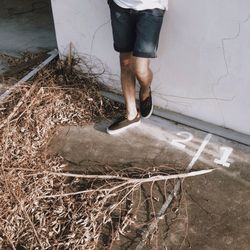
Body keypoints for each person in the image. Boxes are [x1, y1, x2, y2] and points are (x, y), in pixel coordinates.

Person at [107, 0, 167, 135]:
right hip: (120, 5)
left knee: (140, 69)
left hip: (151, 8)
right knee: (125, 62)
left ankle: (145, 89)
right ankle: (131, 115)